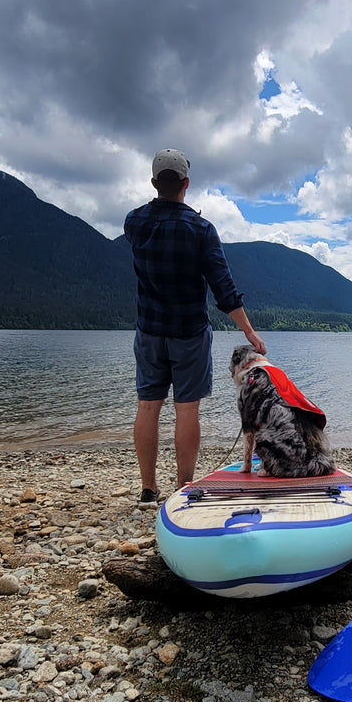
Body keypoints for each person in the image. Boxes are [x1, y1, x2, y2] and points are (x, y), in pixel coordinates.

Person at [125, 148, 265, 503]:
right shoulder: (201, 229)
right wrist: (248, 331)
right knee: (187, 409)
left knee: (148, 405)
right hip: (189, 331)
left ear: (154, 182)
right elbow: (224, 289)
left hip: (149, 330)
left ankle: (147, 488)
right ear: (186, 183)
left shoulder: (134, 222)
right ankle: (183, 488)